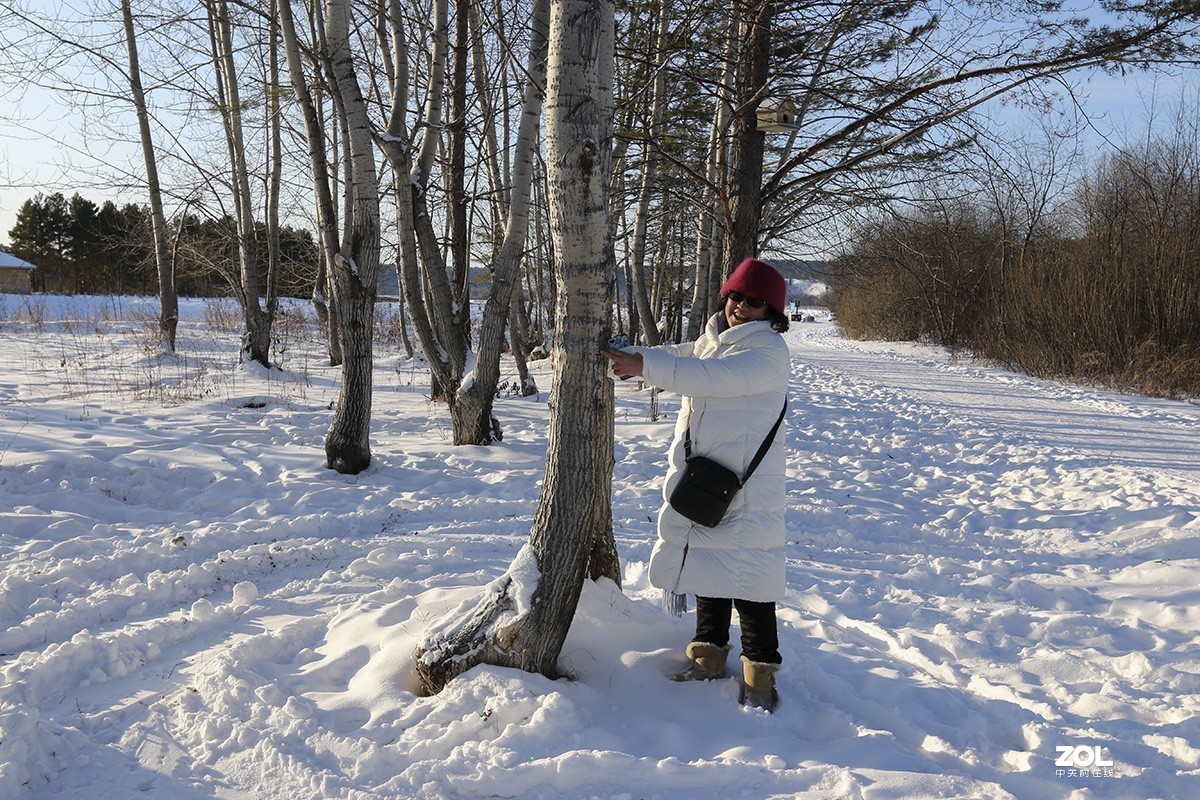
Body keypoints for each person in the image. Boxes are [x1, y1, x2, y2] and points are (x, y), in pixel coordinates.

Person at [601, 257, 790, 711]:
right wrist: (635, 359)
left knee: (751, 585)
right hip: (708, 481)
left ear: (772, 313)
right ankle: (707, 657)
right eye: (737, 297)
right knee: (707, 569)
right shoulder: (714, 342)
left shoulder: (766, 353)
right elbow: (684, 358)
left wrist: (642, 366)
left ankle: (760, 677)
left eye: (755, 302)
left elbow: (707, 379)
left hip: (746, 488)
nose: (742, 307)